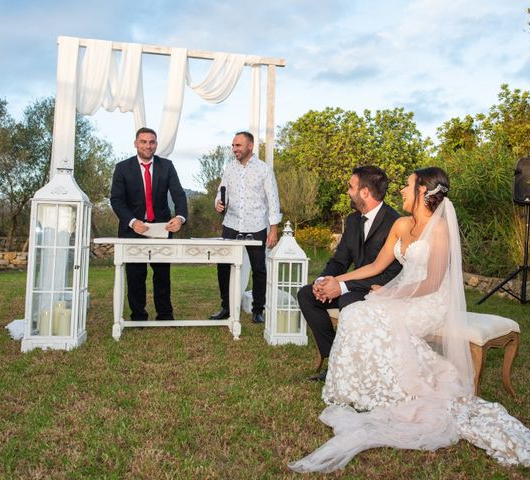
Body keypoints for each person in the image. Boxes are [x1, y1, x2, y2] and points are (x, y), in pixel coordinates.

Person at [289, 167, 530, 473]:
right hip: (402, 294)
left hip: (428, 302)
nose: (401, 190)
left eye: (407, 185)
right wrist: (336, 279)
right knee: (356, 312)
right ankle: (360, 387)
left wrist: (391, 295)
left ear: (421, 192)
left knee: (367, 314)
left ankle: (398, 389)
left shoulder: (441, 229)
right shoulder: (403, 225)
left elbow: (431, 283)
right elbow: (376, 265)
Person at [297, 166, 401, 381]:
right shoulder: (353, 220)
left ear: (364, 192)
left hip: (381, 289)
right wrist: (322, 281)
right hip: (354, 284)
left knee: (349, 302)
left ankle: (354, 366)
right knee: (306, 295)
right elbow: (340, 260)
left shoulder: (395, 222)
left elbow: (390, 274)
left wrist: (342, 286)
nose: (347, 192)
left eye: (351, 187)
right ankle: (335, 360)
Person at [109, 127, 188, 321]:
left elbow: (179, 194)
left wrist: (180, 217)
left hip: (161, 229)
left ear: (156, 144)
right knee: (136, 276)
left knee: (162, 275)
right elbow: (116, 200)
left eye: (151, 142)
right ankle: (138, 315)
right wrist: (132, 221)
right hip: (133, 229)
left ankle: (165, 314)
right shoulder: (122, 168)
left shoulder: (167, 166)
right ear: (135, 143)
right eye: (143, 141)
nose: (148, 145)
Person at [210, 131, 282, 324]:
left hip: (256, 224)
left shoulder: (264, 170)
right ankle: (226, 307)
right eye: (233, 146)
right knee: (223, 266)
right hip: (231, 224)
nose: (234, 149)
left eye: (238, 146)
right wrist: (218, 202)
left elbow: (273, 200)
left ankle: (258, 309)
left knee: (259, 269)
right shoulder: (229, 169)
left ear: (250, 146)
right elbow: (221, 192)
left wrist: (273, 229)